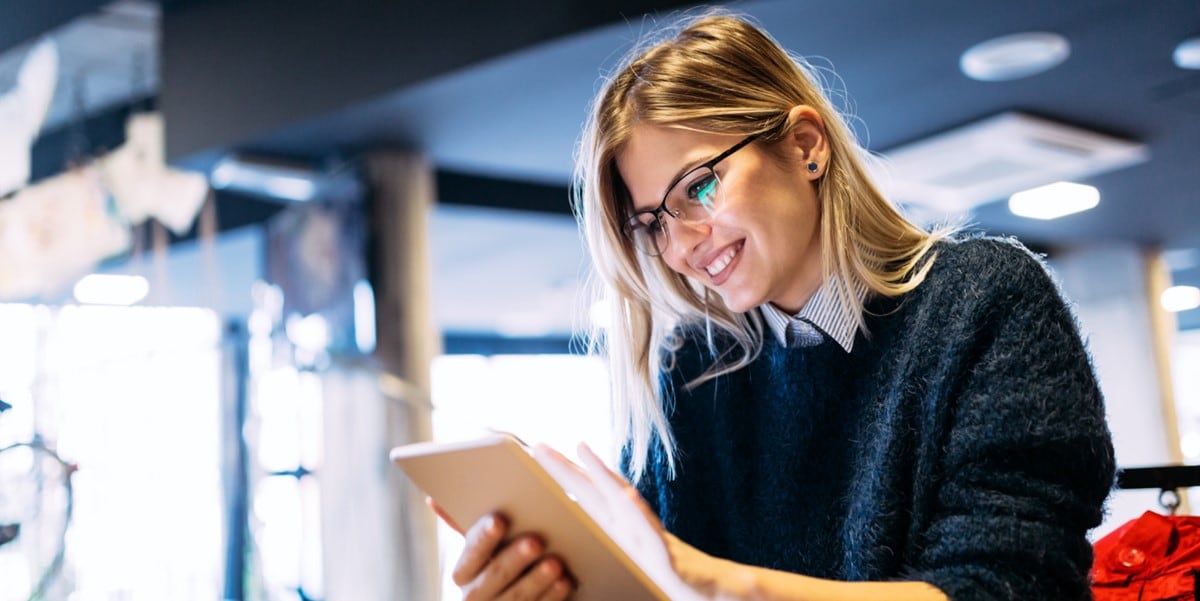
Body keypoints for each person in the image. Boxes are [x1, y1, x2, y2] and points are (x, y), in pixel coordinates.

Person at [438, 10, 1115, 601]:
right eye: (651, 223)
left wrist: (714, 582)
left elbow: (1014, 586)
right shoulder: (693, 370)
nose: (680, 246)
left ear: (805, 145)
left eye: (698, 188)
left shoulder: (985, 303)